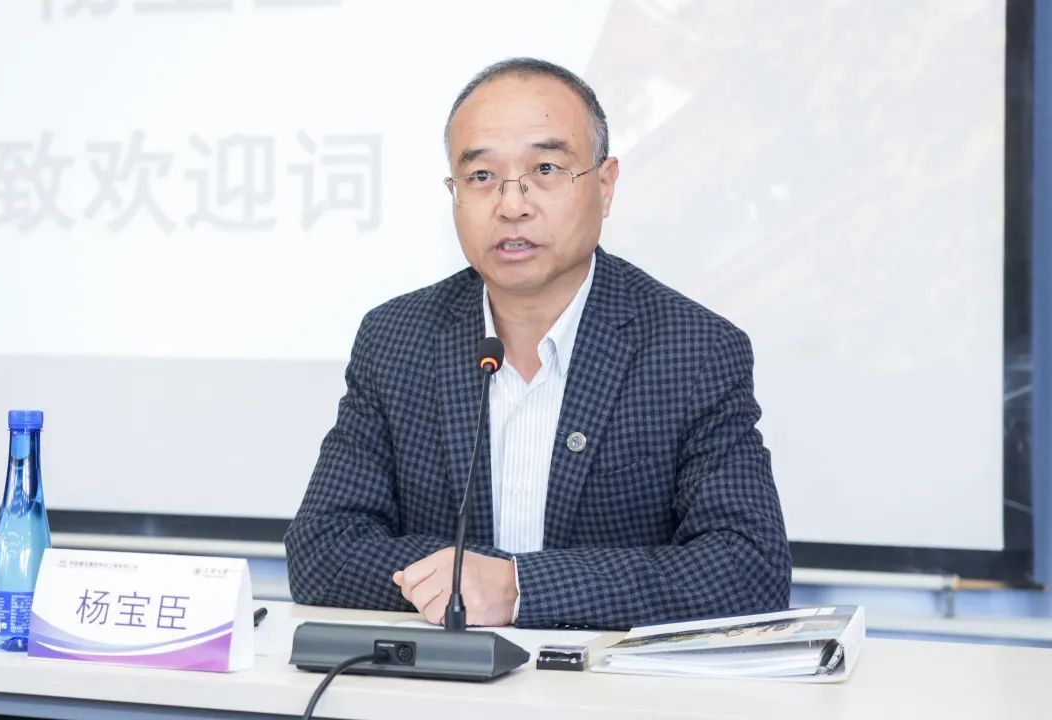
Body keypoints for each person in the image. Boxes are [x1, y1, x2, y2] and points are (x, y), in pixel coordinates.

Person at [284, 58, 791, 630]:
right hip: (442, 680)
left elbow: (749, 568)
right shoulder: (397, 339)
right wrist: (469, 583)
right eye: (481, 177)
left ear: (604, 186)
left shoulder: (693, 348)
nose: (512, 205)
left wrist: (522, 587)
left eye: (546, 169)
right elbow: (322, 550)